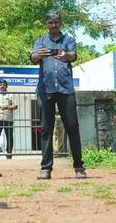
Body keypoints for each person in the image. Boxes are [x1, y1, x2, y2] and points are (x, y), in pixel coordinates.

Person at [30, 11, 87, 180]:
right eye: (50, 22)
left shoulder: (68, 40)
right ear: (46, 24)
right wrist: (38, 55)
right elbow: (33, 57)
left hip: (65, 89)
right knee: (46, 129)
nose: (53, 25)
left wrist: (65, 55)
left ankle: (79, 167)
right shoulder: (40, 41)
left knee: (72, 127)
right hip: (45, 89)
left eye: (56, 22)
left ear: (60, 23)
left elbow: (74, 55)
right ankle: (46, 168)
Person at [0, 79, 17, 159]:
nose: (2, 86)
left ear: (6, 86)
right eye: (1, 85)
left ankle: (9, 155)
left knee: (9, 138)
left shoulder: (11, 95)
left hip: (8, 119)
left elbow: (15, 106)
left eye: (4, 85)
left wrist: (7, 107)